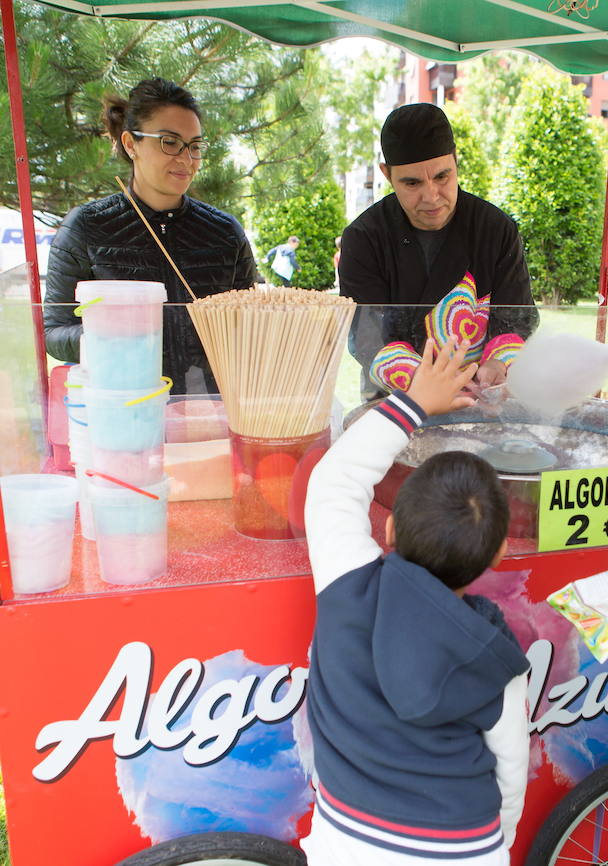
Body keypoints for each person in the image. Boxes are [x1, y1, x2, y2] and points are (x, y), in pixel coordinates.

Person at [301, 337, 531, 866]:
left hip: (348, 844)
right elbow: (511, 771)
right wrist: (500, 845)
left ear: (388, 527)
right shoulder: (497, 657)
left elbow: (335, 484)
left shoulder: (347, 584)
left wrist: (414, 403)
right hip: (466, 847)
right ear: (496, 554)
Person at [43, 77, 259, 394]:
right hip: (125, 412)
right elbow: (54, 331)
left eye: (195, 146)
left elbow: (251, 322)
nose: (186, 159)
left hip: (210, 411)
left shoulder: (225, 232)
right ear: (131, 144)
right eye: (169, 142)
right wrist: (110, 337)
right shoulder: (86, 227)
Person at [338, 102, 538, 400]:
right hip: (398, 404)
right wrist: (429, 384)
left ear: (456, 163)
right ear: (387, 174)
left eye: (442, 177)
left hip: (480, 402)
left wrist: (497, 363)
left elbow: (515, 318)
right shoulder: (364, 239)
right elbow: (368, 340)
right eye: (412, 182)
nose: (431, 196)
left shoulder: (495, 229)